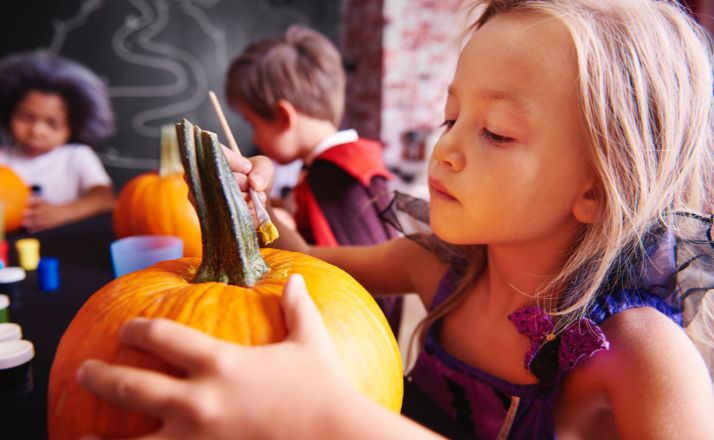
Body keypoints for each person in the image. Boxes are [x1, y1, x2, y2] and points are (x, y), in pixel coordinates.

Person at [77, 0, 714, 438]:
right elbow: (289, 275)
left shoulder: (643, 358)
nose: (446, 149)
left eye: (494, 132)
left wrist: (337, 421)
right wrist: (249, 216)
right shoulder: (437, 265)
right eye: (450, 117)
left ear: (598, 190)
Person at [225, 24, 402, 333]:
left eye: (253, 124)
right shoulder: (348, 159)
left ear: (283, 117)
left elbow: (340, 274)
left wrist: (258, 214)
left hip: (350, 333)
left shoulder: (334, 179)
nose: (253, 136)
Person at [0, 51, 115, 232]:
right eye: (26, 117)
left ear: (74, 126)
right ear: (8, 113)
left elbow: (105, 199)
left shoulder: (77, 156)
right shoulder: (4, 159)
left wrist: (64, 212)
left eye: (53, 124)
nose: (36, 131)